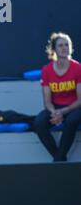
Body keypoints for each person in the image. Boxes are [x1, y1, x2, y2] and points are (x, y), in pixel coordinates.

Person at [33, 32, 81, 162]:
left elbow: (80, 100)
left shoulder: (78, 68)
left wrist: (63, 112)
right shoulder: (46, 70)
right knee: (38, 123)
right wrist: (54, 112)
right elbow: (47, 101)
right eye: (60, 45)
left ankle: (59, 158)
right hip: (56, 108)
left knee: (71, 121)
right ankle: (59, 157)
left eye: (67, 45)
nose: (64, 48)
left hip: (74, 107)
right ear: (54, 50)